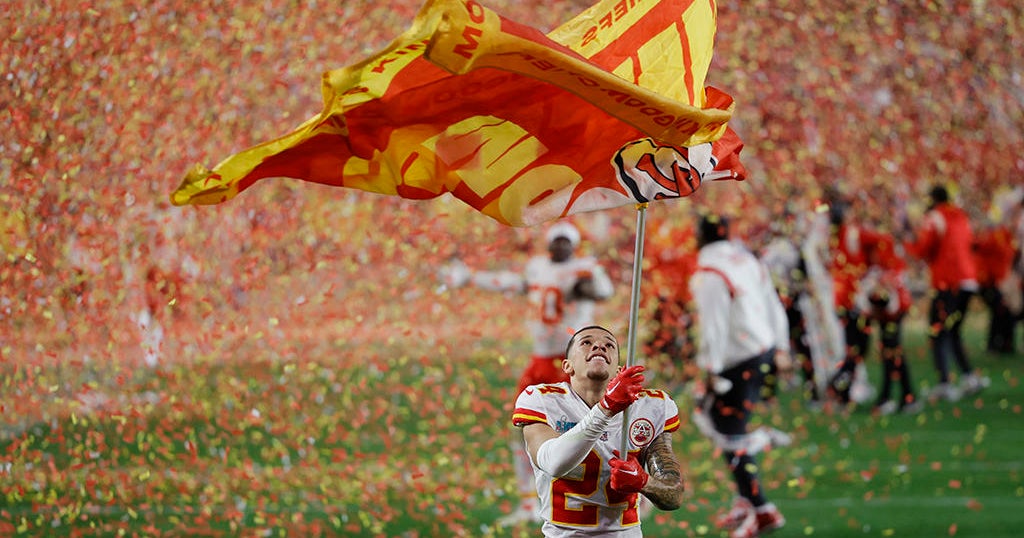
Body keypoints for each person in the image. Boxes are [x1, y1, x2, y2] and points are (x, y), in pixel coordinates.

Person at [441, 221, 615, 524]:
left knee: (580, 435)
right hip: (540, 362)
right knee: (522, 428)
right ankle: (528, 503)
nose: (560, 247)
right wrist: (469, 277)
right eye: (556, 241)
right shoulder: (537, 267)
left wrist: (587, 283)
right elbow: (511, 282)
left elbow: (601, 291)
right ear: (549, 244)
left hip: (571, 363)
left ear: (573, 245)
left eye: (566, 242)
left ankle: (599, 498)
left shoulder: (584, 268)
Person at [511, 325, 685, 537]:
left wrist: (643, 482)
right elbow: (553, 463)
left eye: (609, 344)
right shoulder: (542, 400)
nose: (599, 346)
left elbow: (673, 494)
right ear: (567, 366)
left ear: (619, 370)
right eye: (586, 342)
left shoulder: (650, 407)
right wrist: (607, 408)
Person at [687, 214, 789, 538]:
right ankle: (747, 500)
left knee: (727, 432)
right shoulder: (746, 259)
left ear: (701, 236)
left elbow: (713, 325)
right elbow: (772, 302)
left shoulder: (711, 272)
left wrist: (710, 368)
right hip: (763, 350)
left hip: (735, 360)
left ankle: (762, 509)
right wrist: (781, 346)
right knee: (724, 425)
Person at [904, 185, 988, 401]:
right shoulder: (961, 216)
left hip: (947, 281)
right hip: (968, 280)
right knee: (953, 331)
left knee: (938, 331)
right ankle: (969, 377)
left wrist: (907, 242)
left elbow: (923, 249)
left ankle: (945, 383)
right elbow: (971, 243)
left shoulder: (934, 217)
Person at [854, 234, 922, 415]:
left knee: (892, 353)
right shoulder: (881, 269)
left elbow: (892, 301)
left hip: (893, 314)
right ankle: (904, 397)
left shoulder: (889, 268)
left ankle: (893, 397)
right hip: (890, 313)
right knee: (891, 353)